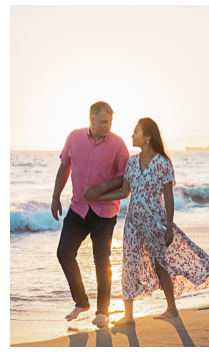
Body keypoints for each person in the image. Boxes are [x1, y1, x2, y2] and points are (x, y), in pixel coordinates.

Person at [93, 117, 209, 325]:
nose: (132, 135)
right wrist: (99, 196)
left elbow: (169, 197)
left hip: (155, 220)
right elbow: (124, 192)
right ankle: (128, 316)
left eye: (136, 131)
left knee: (160, 263)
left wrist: (169, 226)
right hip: (133, 222)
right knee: (129, 263)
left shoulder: (163, 163)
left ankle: (172, 308)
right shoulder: (131, 162)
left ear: (147, 136)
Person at [51, 103, 130, 328]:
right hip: (78, 208)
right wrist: (56, 196)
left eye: (110, 122)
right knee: (64, 253)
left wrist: (101, 187)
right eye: (104, 122)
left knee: (101, 259)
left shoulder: (118, 144)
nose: (108, 126)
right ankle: (81, 302)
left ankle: (102, 311)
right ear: (92, 119)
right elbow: (64, 167)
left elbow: (126, 178)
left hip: (104, 212)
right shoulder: (74, 138)